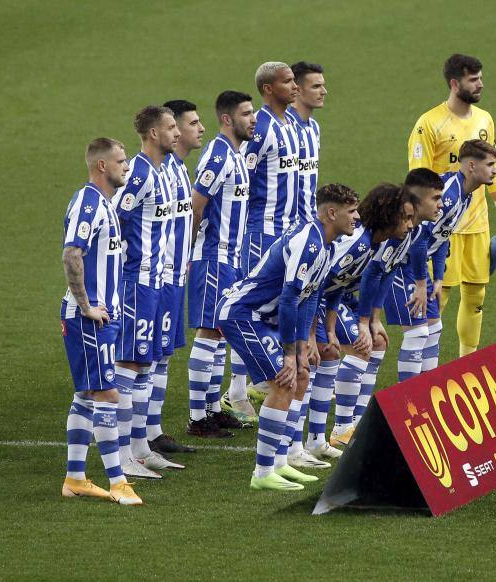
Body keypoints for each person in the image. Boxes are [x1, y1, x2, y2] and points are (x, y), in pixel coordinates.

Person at [216, 184, 359, 491]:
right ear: (332, 213)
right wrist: (290, 353)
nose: (356, 218)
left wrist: (307, 340)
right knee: (285, 379)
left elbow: (311, 297)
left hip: (263, 318)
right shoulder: (309, 243)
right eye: (351, 211)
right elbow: (290, 298)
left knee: (301, 377)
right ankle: (263, 472)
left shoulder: (328, 245)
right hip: (243, 314)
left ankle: (282, 460)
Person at [408, 54, 496, 357]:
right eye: (473, 79)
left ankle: (466, 363)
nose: (480, 84)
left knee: (476, 295)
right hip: (442, 229)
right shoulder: (429, 124)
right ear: (455, 83)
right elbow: (416, 182)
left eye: (480, 77)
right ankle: (419, 366)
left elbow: (495, 170)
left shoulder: (485, 119)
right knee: (437, 296)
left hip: (477, 224)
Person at [297, 184, 414, 459]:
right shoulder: (357, 243)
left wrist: (332, 327)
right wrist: (313, 334)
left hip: (325, 302)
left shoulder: (379, 242)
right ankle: (311, 440)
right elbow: (316, 284)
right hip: (302, 299)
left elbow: (342, 285)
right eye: (405, 218)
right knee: (311, 364)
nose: (410, 225)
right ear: (388, 215)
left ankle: (322, 437)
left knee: (335, 352)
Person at [60, 137, 142, 505]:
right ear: (102, 166)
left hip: (101, 317)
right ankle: (118, 481)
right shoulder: (88, 203)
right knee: (107, 393)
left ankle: (75, 478)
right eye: (122, 161)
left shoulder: (106, 206)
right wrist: (86, 305)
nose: (127, 166)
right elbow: (71, 255)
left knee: (85, 395)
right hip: (88, 319)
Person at [386, 140, 496, 381]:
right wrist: (420, 283)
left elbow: (443, 238)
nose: (495, 170)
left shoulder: (466, 194)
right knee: (417, 333)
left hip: (416, 265)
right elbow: (419, 240)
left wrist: (438, 277)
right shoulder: (448, 195)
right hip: (397, 262)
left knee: (434, 329)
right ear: (471, 166)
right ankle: (409, 398)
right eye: (490, 165)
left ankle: (426, 391)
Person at [226, 61, 302, 415]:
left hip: (288, 230)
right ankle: (237, 390)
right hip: (262, 233)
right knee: (250, 307)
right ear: (269, 89)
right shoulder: (262, 128)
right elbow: (242, 174)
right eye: (288, 82)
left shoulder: (294, 125)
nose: (295, 86)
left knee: (275, 309)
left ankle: (256, 382)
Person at [112, 106, 182, 478]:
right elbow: (113, 219)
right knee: (129, 364)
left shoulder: (164, 172)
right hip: (136, 283)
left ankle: (140, 450)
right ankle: (122, 454)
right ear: (154, 134)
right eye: (171, 128)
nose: (177, 133)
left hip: (158, 281)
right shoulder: (139, 174)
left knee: (147, 365)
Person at [185, 91, 257, 437]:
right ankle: (198, 418)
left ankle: (213, 409)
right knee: (210, 330)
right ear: (227, 119)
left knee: (222, 331)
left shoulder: (238, 155)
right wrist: (191, 249)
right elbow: (197, 204)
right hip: (214, 255)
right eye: (245, 114)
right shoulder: (218, 154)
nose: (253, 119)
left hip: (232, 257)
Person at [142, 99, 205, 457]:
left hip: (173, 278)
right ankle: (139, 439)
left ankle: (154, 430)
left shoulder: (178, 170)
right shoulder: (150, 173)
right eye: (179, 126)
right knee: (144, 357)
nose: (184, 132)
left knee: (162, 355)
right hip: (152, 278)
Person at [286, 61, 326, 223]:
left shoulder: (314, 127)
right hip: (286, 225)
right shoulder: (283, 128)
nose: (324, 92)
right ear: (297, 90)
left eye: (323, 86)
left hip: (309, 221)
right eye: (316, 87)